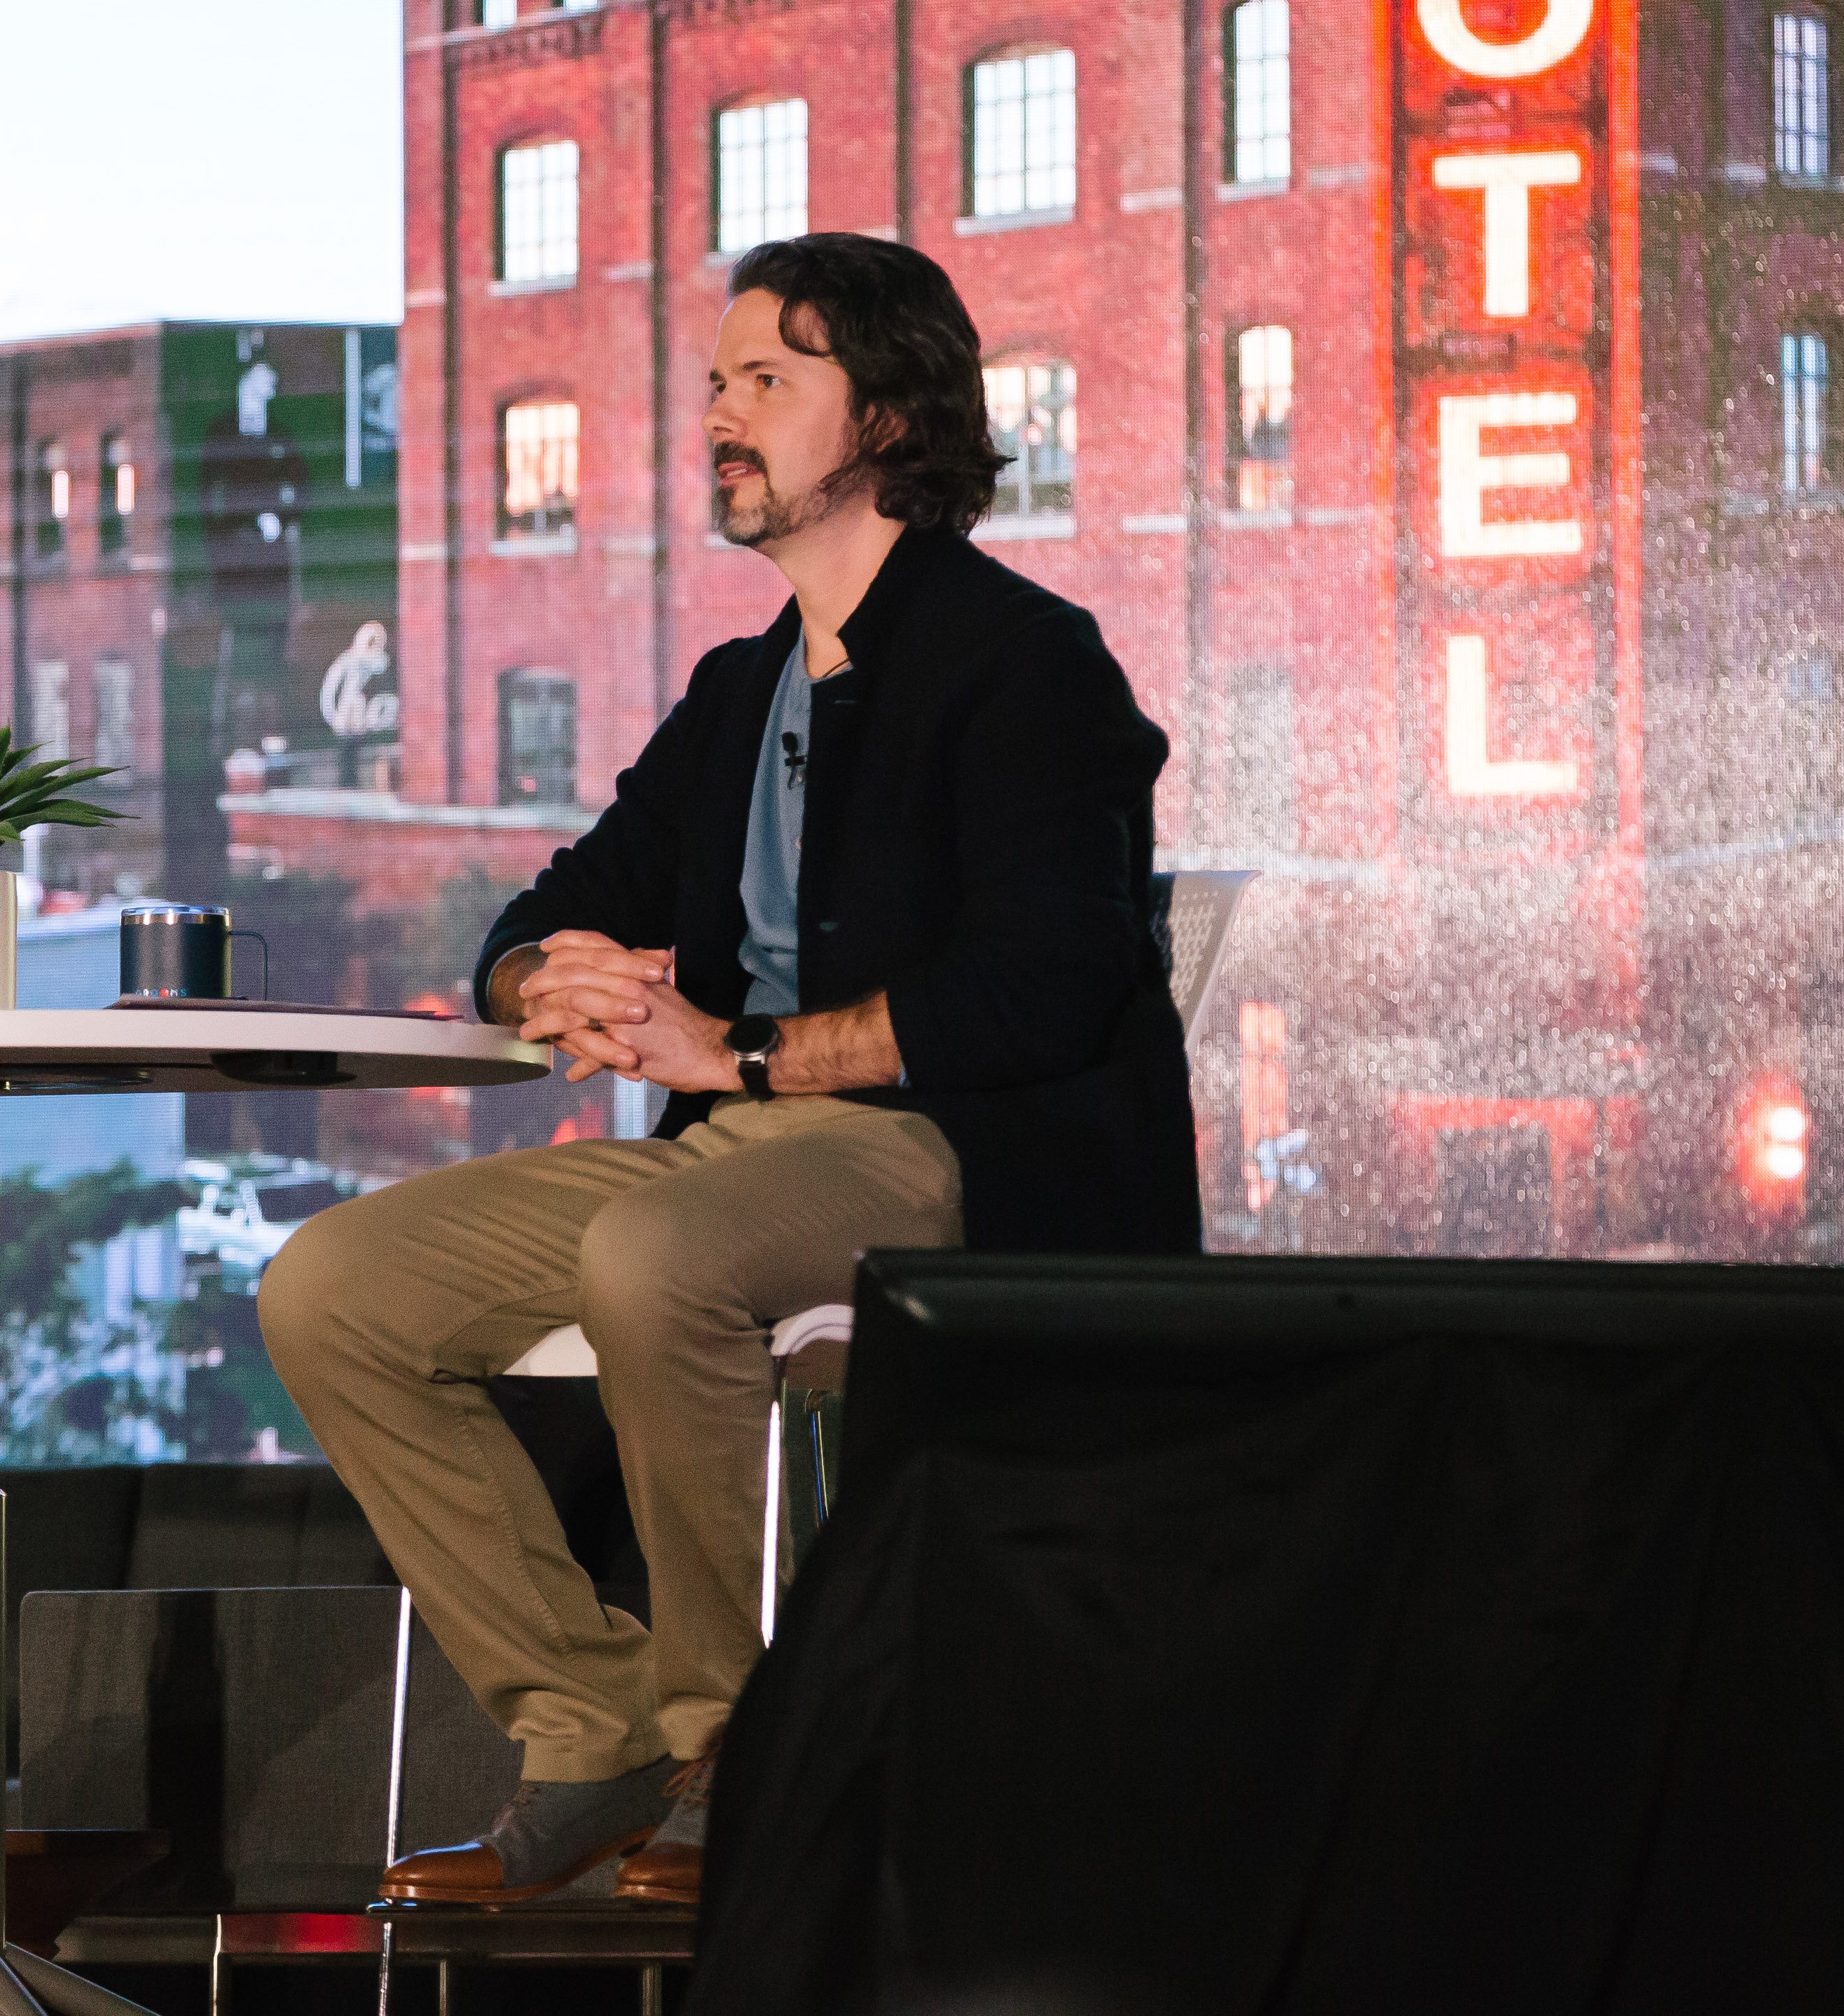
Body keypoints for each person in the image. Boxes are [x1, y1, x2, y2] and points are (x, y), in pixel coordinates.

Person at [259, 233, 1188, 1909]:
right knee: (332, 1284)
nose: (722, 416)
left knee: (653, 1252)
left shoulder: (1024, 664)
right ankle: (586, 1721)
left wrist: (738, 1051)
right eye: (714, 384)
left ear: (893, 415)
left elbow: (1040, 989)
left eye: (770, 380)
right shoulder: (737, 688)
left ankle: (745, 1742)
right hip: (726, 1152)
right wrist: (552, 977)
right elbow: (558, 901)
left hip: (954, 1151)